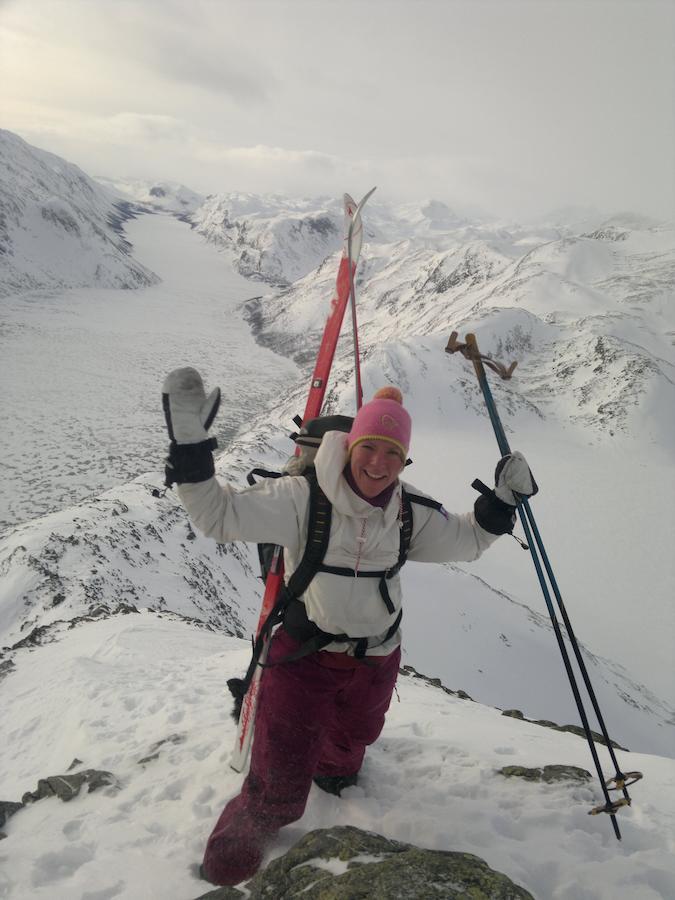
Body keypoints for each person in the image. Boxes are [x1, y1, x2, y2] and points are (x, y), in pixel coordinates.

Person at [161, 367, 538, 886]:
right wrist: (190, 449)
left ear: (405, 459)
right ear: (351, 443)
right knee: (276, 787)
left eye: (393, 452)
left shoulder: (409, 512)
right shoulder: (301, 497)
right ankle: (224, 872)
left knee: (355, 738)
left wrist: (505, 501)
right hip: (303, 659)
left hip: (377, 657)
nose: (379, 463)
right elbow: (217, 516)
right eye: (370, 447)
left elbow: (467, 540)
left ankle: (336, 775)